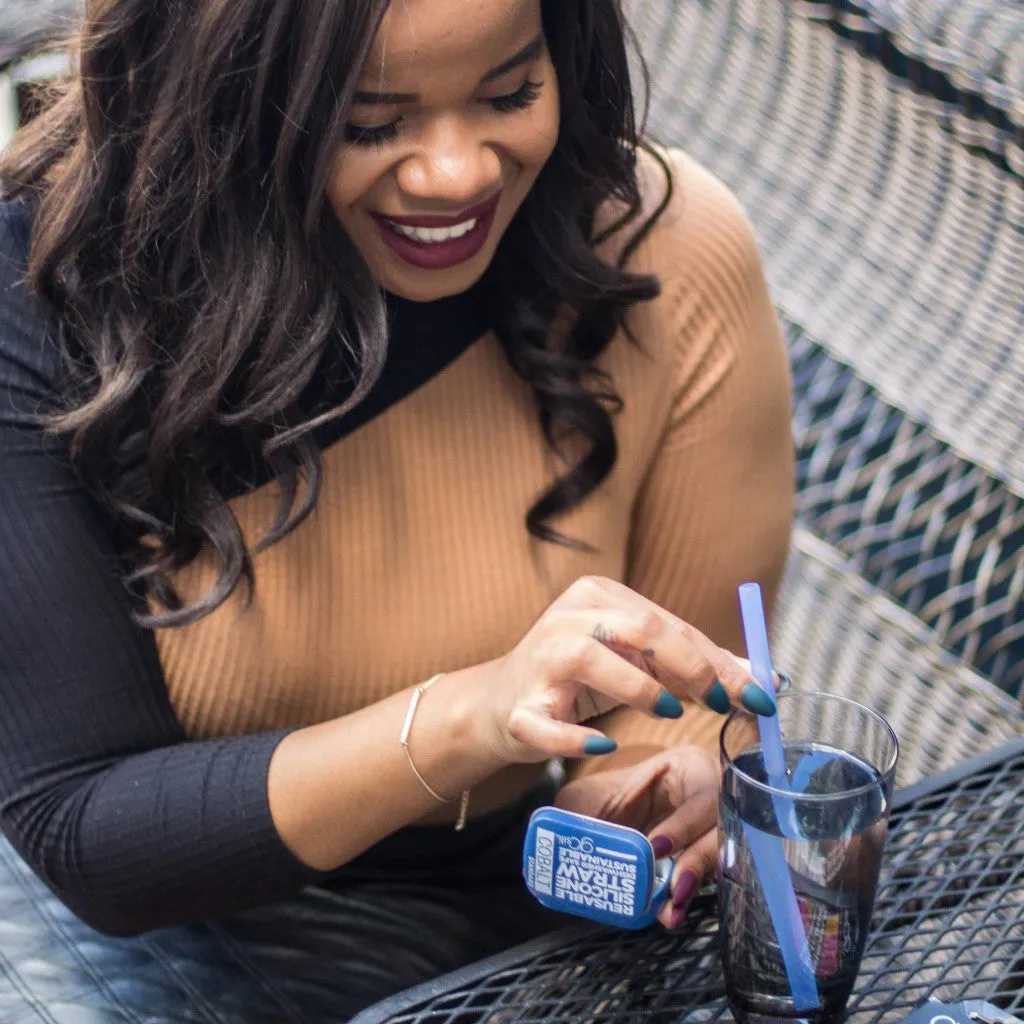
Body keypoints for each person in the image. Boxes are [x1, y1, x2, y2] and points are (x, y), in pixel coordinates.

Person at [0, 0, 793, 1017]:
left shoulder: (657, 251)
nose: (457, 173)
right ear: (217, 100)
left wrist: (647, 787)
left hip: (502, 921)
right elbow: (90, 828)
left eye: (510, 93)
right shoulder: (43, 301)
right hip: (129, 948)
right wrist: (469, 713)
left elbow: (691, 699)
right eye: (370, 123)